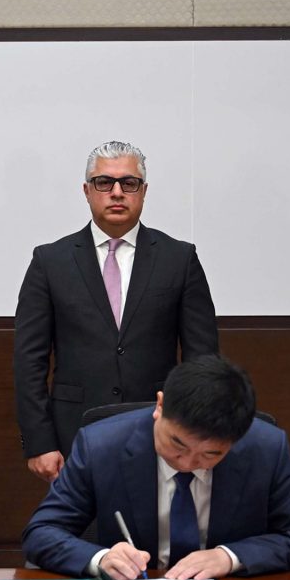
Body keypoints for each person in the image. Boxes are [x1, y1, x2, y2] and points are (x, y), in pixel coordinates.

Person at [14, 141, 219, 483]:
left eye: (129, 183)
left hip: (161, 432)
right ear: (87, 191)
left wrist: (195, 431)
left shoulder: (179, 259)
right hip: (73, 434)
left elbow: (202, 359)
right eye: (104, 182)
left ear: (144, 191)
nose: (117, 192)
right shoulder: (50, 261)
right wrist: (39, 442)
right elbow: (28, 362)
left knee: (155, 519)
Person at [23, 355, 290, 580]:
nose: (187, 463)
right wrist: (101, 559)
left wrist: (229, 557)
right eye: (177, 444)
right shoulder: (101, 446)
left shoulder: (266, 448)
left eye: (210, 454)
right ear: (160, 406)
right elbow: (42, 532)